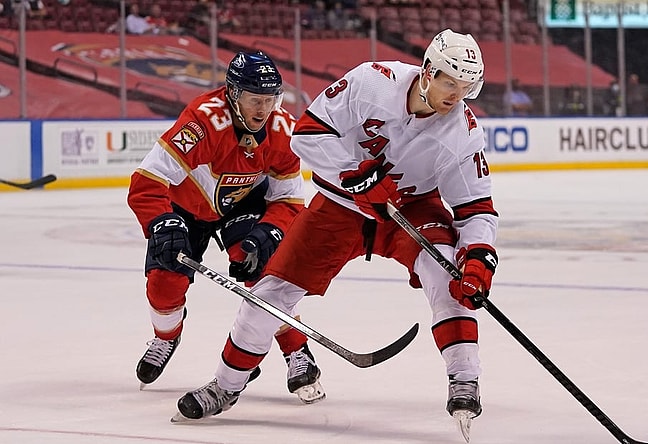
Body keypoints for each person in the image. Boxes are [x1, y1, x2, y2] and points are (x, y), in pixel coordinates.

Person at [175, 29, 499, 429]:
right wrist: (354, 175)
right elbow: (307, 134)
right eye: (451, 82)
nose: (457, 95)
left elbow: (476, 207)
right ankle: (225, 386)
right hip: (339, 207)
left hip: (411, 210)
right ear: (428, 72)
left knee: (447, 272)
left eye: (466, 86)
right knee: (269, 293)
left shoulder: (464, 132)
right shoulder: (371, 82)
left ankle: (464, 380)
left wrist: (481, 255)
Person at [127, 51, 324, 404]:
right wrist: (161, 222)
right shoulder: (202, 123)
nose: (263, 110)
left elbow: (290, 200)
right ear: (233, 94)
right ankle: (166, 335)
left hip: (243, 203)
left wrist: (269, 233)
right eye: (254, 100)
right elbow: (146, 182)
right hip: (184, 206)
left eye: (270, 99)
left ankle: (296, 350)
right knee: (163, 285)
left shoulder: (282, 130)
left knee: (262, 272)